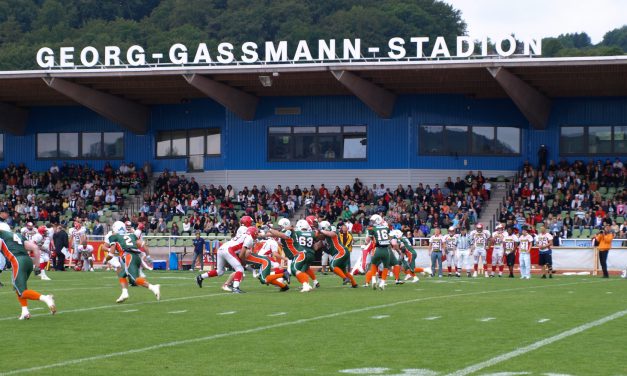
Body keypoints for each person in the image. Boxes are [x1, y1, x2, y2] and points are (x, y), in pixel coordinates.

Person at [0, 222, 56, 320]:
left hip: (18, 261)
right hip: (28, 261)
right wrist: (37, 266)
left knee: (22, 291)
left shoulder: (2, 237)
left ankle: (46, 298)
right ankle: (25, 311)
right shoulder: (17, 235)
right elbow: (35, 248)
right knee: (18, 288)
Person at [108, 221, 161, 303]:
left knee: (134, 280)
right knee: (122, 275)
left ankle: (153, 287)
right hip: (137, 258)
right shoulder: (132, 235)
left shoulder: (114, 236)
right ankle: (124, 293)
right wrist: (148, 256)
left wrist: (106, 260)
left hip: (129, 257)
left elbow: (111, 254)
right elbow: (143, 244)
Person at [196, 226, 256, 293]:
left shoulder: (243, 235)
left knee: (220, 271)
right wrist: (244, 263)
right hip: (228, 250)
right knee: (240, 269)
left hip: (222, 248)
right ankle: (235, 288)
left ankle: (201, 277)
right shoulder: (249, 238)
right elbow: (241, 255)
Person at [317, 221, 358, 288]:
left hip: (341, 251)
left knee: (332, 265)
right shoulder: (323, 240)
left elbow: (332, 234)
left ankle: (345, 279)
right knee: (343, 270)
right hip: (340, 253)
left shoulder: (332, 229)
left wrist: (321, 231)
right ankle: (354, 284)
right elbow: (316, 247)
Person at [364, 214, 391, 290]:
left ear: (377, 220)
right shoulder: (386, 227)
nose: (371, 222)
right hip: (386, 250)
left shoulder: (371, 229)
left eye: (373, 221)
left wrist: (368, 240)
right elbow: (389, 237)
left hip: (377, 250)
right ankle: (382, 283)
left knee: (373, 264)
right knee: (386, 267)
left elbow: (367, 240)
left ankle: (373, 280)